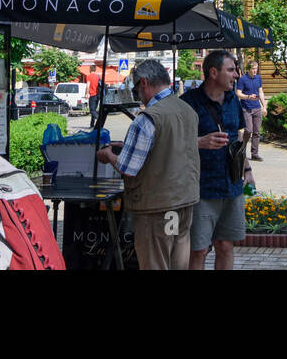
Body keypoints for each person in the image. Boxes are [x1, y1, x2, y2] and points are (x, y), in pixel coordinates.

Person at [96, 59, 199, 270]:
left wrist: (108, 155)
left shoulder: (147, 118)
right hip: (183, 202)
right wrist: (128, 145)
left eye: (135, 89)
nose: (137, 95)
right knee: (177, 263)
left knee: (155, 263)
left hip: (156, 207)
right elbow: (170, 147)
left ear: (144, 83)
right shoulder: (187, 109)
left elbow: (128, 168)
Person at [181, 49, 246, 270]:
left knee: (226, 245)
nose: (236, 75)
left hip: (231, 185)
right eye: (231, 70)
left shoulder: (233, 100)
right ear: (213, 73)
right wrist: (199, 142)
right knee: (198, 250)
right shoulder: (188, 103)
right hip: (201, 188)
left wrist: (246, 171)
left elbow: (238, 138)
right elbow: (171, 144)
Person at [236, 59, 267, 161]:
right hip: (246, 108)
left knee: (257, 132)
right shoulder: (242, 79)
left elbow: (261, 92)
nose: (255, 71)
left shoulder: (258, 78)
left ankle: (254, 154)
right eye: (253, 69)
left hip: (257, 108)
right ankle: (242, 151)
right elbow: (238, 93)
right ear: (249, 69)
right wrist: (248, 96)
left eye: (256, 69)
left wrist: (264, 106)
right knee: (248, 130)